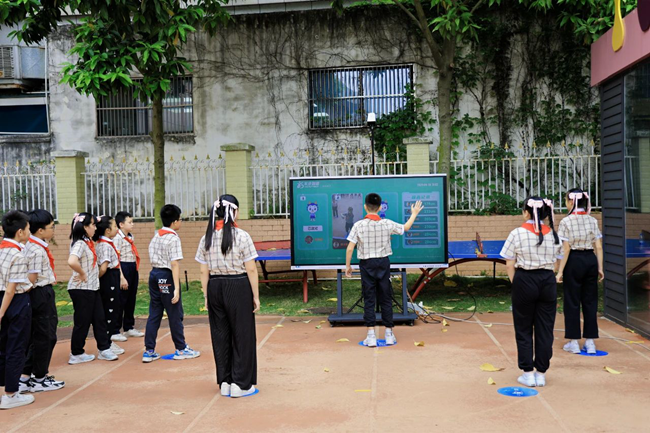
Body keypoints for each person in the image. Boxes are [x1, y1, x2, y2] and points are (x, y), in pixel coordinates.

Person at [196, 195, 260, 398]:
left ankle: (225, 381)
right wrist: (256, 296)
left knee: (220, 335)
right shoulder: (242, 236)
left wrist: (206, 295)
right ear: (235, 212)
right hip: (238, 285)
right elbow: (251, 269)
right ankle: (240, 384)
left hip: (215, 286)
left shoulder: (206, 238)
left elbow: (203, 271)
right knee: (242, 334)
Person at [345, 193, 423, 347]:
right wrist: (414, 213)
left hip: (366, 264)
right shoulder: (387, 223)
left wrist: (348, 266)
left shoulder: (358, 225)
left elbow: (349, 248)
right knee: (386, 298)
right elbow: (405, 227)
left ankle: (371, 336)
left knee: (369, 299)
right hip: (383, 263)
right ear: (380, 208)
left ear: (365, 207)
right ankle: (389, 334)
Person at [500, 197, 562, 387]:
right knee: (545, 328)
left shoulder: (517, 233)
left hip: (525, 279)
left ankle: (527, 373)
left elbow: (509, 263)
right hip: (547, 280)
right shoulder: (554, 235)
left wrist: (517, 283)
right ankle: (541, 373)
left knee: (523, 327)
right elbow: (557, 262)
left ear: (526, 213)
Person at [143, 204, 200, 363]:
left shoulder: (156, 236)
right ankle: (181, 349)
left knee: (155, 313)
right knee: (175, 313)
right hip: (166, 276)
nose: (181, 222)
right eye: (180, 219)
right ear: (174, 221)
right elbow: (174, 264)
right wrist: (176, 288)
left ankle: (149, 350)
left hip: (154, 275)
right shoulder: (173, 238)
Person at [19, 209, 65, 393]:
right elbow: (31, 279)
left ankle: (26, 377)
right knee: (46, 336)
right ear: (40, 230)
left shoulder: (33, 246)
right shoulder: (36, 250)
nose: (54, 230)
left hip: (39, 292)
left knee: (38, 336)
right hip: (40, 293)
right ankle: (39, 378)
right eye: (51, 227)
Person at [556, 189, 604, 355]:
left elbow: (566, 249)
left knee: (572, 301)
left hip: (574, 261)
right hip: (590, 259)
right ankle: (590, 342)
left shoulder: (566, 221)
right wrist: (599, 267)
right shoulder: (592, 220)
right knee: (590, 301)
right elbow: (598, 247)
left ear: (571, 202)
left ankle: (574, 341)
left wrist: (560, 271)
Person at [67, 212, 118, 365]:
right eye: (93, 225)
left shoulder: (87, 242)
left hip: (92, 287)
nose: (95, 228)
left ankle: (104, 349)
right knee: (83, 322)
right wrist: (82, 273)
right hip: (81, 289)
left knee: (99, 319)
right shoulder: (80, 243)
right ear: (85, 227)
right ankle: (76, 353)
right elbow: (72, 261)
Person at [0, 211, 35, 409]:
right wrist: (1, 312)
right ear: (20, 232)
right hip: (15, 302)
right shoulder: (18, 255)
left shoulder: (1, 250)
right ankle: (11, 394)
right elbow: (11, 289)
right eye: (28, 229)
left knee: (3, 346)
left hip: (3, 300)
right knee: (16, 348)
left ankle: (5, 390)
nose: (29, 232)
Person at [93, 216, 128, 356]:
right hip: (108, 279)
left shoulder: (108, 243)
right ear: (107, 230)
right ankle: (106, 343)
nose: (117, 229)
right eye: (114, 226)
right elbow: (103, 268)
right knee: (109, 311)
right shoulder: (105, 246)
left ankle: (108, 341)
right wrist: (96, 280)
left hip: (112, 277)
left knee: (113, 310)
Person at [114, 211, 144, 338]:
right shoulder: (117, 238)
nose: (132, 224)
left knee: (131, 298)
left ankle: (128, 327)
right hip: (123, 267)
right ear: (121, 224)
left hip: (132, 267)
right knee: (121, 299)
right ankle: (115, 329)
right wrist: (122, 277)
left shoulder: (131, 237)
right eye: (130, 222)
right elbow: (116, 258)